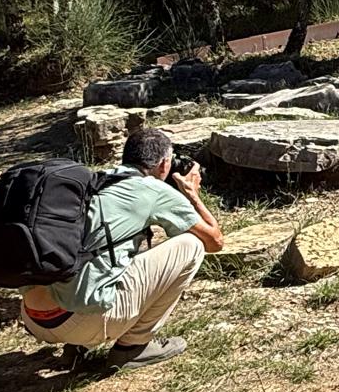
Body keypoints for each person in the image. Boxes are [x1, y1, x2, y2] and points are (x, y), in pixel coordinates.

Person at [19, 127, 224, 367]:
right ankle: (132, 347)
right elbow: (214, 241)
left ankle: (77, 347)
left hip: (33, 318)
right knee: (192, 245)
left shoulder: (93, 181)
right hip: (80, 323)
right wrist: (191, 194)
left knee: (106, 249)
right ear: (164, 164)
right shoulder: (153, 189)